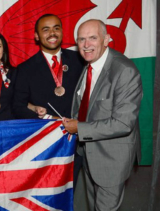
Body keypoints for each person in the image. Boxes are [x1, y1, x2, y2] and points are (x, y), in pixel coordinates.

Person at [63, 19, 142, 210]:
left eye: (92, 38)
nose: (86, 44)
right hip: (89, 154)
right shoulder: (90, 65)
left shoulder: (124, 71)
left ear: (106, 39)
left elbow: (123, 124)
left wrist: (78, 128)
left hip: (112, 159)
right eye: (81, 39)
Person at [13, 14, 84, 188]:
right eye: (45, 29)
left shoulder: (80, 60)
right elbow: (17, 106)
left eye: (56, 28)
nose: (52, 33)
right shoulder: (25, 69)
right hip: (44, 143)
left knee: (70, 195)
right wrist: (46, 119)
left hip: (79, 142)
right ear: (37, 36)